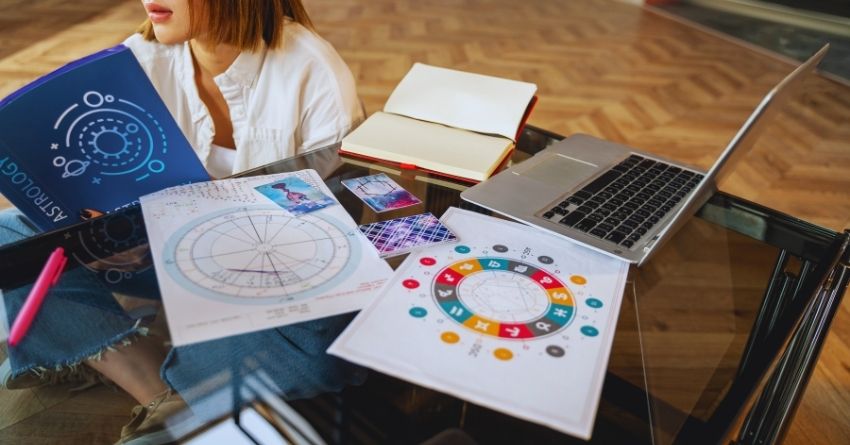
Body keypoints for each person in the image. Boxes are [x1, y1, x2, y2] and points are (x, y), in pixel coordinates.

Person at [0, 0, 366, 443]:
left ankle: (137, 365)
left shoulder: (313, 71)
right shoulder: (138, 60)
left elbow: (338, 230)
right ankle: (165, 394)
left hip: (265, 275)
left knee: (322, 345)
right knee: (12, 237)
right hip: (154, 256)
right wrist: (106, 230)